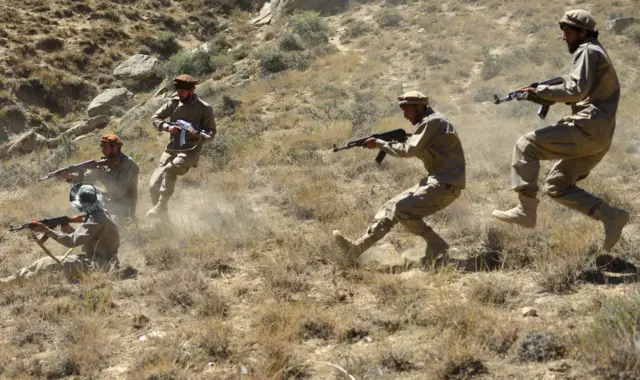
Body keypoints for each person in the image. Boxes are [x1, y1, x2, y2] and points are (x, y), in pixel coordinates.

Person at [492, 9, 629, 252]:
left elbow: (576, 90)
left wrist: (540, 93)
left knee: (526, 145)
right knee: (557, 185)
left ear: (582, 32)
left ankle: (526, 211)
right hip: (600, 136)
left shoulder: (588, 50)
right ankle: (611, 217)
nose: (564, 37)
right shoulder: (595, 52)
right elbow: (574, 85)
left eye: (568, 32)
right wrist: (541, 91)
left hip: (587, 127)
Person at [332, 91, 466, 265]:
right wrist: (391, 141)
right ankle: (356, 249)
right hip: (437, 181)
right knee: (389, 207)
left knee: (401, 209)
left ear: (419, 106)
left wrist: (380, 143)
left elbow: (408, 151)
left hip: (446, 183)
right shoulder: (431, 123)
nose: (405, 115)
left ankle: (436, 243)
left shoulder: (433, 122)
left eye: (407, 110)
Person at [1, 183, 120, 283]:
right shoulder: (101, 214)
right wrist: (68, 229)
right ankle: (12, 279)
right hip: (101, 260)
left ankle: (10, 282)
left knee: (48, 264)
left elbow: (72, 241)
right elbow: (89, 237)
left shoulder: (97, 220)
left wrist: (47, 230)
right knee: (45, 264)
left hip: (98, 265)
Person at [147, 74, 216, 219]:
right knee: (153, 185)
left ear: (191, 90)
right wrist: (167, 127)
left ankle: (161, 206)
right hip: (172, 148)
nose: (179, 93)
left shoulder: (204, 108)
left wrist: (196, 133)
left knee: (171, 169)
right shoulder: (173, 103)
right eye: (178, 90)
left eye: (183, 91)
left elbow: (212, 133)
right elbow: (155, 117)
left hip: (190, 150)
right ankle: (162, 218)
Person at [61, 133, 139, 222]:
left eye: (105, 148)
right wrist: (70, 177)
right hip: (108, 202)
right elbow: (87, 177)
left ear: (115, 148)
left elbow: (119, 192)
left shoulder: (128, 164)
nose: (102, 151)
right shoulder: (106, 162)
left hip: (123, 208)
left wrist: (101, 177)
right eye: (102, 148)